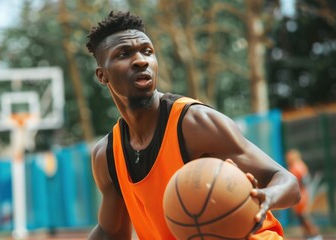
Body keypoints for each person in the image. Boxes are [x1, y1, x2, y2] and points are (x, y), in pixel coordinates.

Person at [86, 10, 300, 240]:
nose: (141, 60)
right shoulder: (107, 156)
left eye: (147, 51)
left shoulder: (195, 123)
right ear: (102, 75)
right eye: (124, 54)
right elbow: (110, 232)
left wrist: (266, 196)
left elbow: (288, 183)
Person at [286, 149, 322, 240]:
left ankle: (316, 236)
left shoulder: (298, 166)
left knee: (305, 217)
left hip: (302, 196)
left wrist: (302, 193)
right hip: (299, 196)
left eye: (289, 156)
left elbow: (304, 182)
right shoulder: (295, 166)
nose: (287, 158)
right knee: (301, 219)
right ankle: (309, 236)